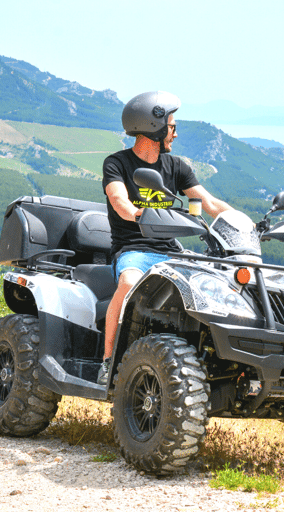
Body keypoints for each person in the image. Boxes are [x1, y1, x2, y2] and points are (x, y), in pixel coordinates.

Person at [99, 91, 232, 384]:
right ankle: (108, 360)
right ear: (154, 128)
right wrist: (138, 214)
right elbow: (118, 199)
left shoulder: (177, 167)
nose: (175, 132)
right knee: (129, 283)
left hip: (173, 253)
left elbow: (208, 204)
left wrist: (239, 221)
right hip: (134, 250)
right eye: (171, 126)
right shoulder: (117, 163)